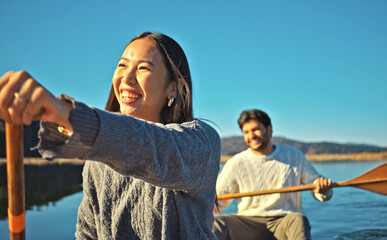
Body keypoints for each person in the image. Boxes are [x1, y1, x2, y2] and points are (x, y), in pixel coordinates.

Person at [0, 32, 221, 239]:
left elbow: (153, 147)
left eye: (144, 68)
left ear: (173, 88)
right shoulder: (98, 162)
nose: (127, 77)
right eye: (122, 65)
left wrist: (65, 114)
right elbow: (87, 232)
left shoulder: (202, 143)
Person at [213, 109, 332, 240]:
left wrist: (323, 190)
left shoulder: (294, 155)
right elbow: (217, 201)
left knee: (298, 220)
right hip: (249, 223)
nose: (251, 135)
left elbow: (319, 188)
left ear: (269, 129)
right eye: (246, 132)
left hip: (284, 221)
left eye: (255, 129)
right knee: (217, 223)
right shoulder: (235, 162)